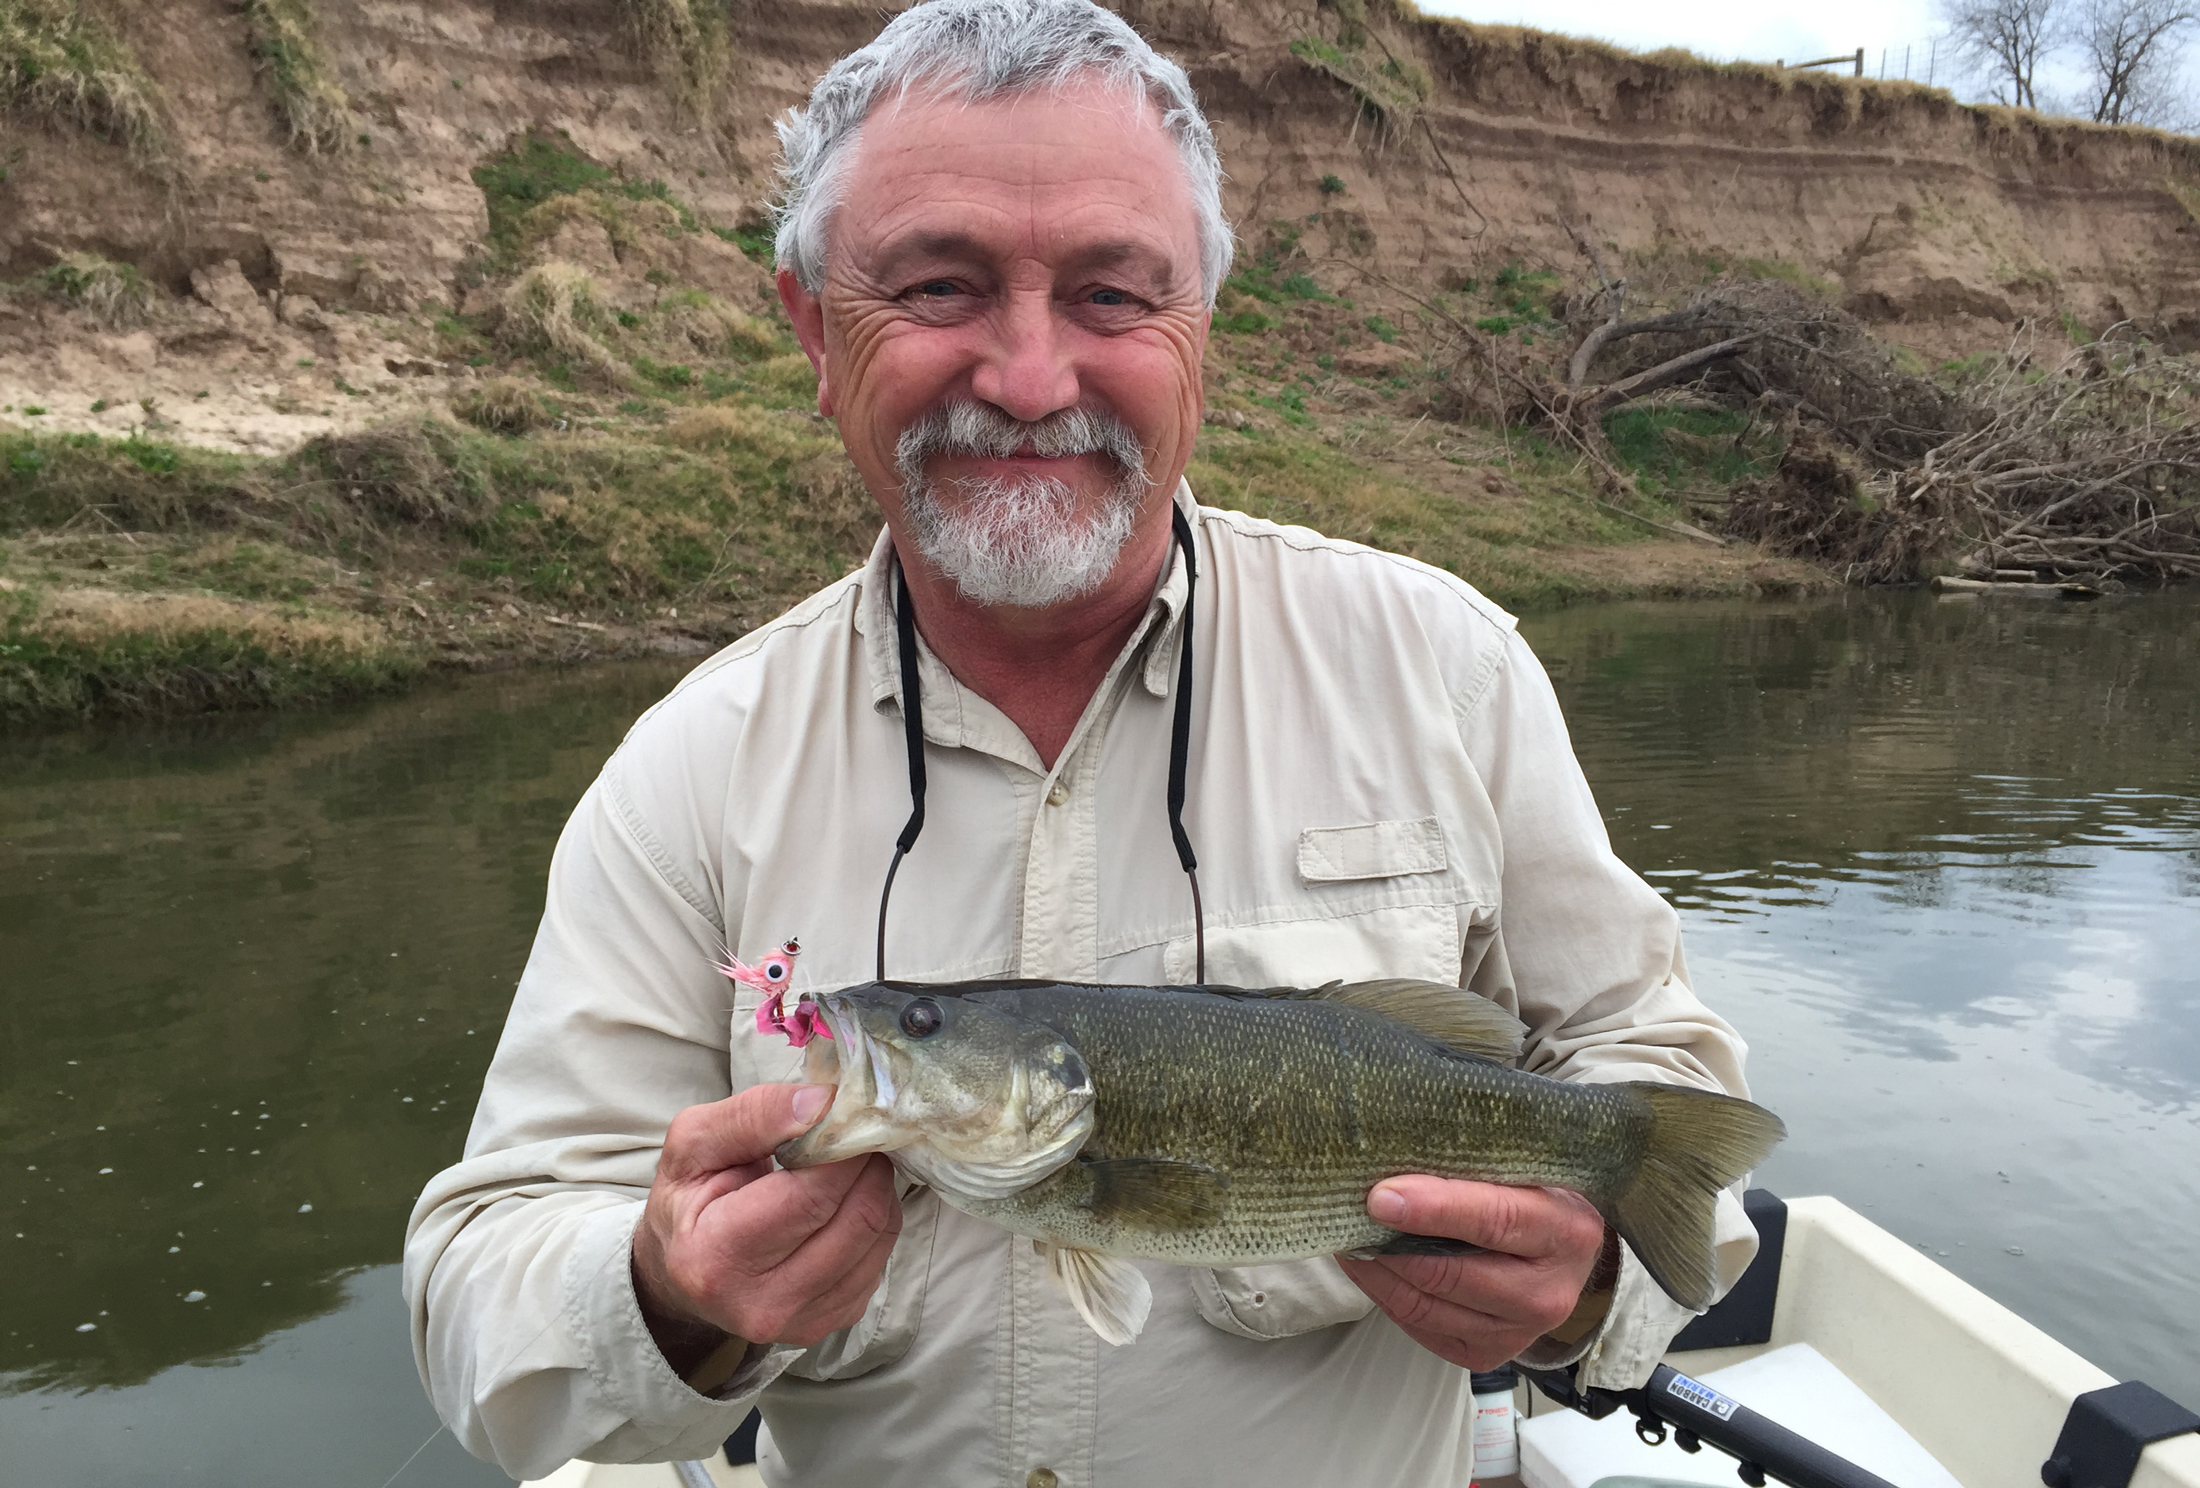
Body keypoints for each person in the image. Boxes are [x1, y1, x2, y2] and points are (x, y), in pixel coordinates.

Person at [403, 0, 1760, 1480]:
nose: (1031, 378)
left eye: (1113, 296)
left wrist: (1588, 1277)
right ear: (811, 327)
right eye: (938, 286)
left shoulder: (1447, 671)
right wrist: (663, 1295)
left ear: (1200, 335)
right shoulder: (686, 774)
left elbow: (1653, 1068)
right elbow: (481, 1272)